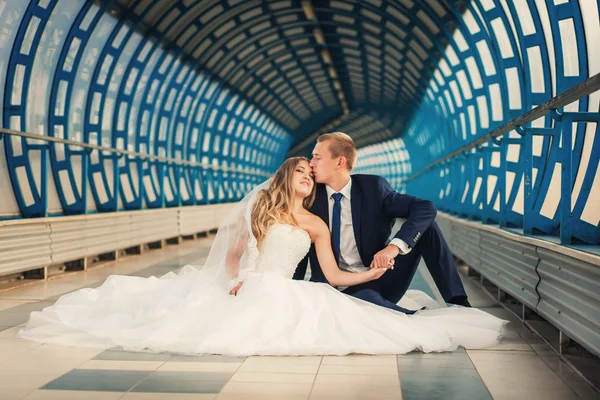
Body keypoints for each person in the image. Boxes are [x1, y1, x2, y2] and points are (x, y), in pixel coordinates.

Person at [19, 157, 506, 356]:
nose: (306, 176)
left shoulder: (317, 222)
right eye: (299, 171)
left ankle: (436, 305)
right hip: (255, 282)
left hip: (301, 286)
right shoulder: (261, 209)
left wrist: (378, 267)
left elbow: (334, 274)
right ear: (285, 178)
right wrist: (237, 280)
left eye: (310, 173)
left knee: (342, 316)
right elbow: (233, 255)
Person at [294, 132, 470, 313]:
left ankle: (459, 303)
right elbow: (297, 246)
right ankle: (414, 318)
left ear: (340, 162)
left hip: (380, 279)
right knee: (367, 299)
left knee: (428, 228)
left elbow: (426, 208)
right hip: (332, 290)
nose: (311, 163)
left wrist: (393, 248)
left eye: (317, 157)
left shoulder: (373, 189)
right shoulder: (310, 196)